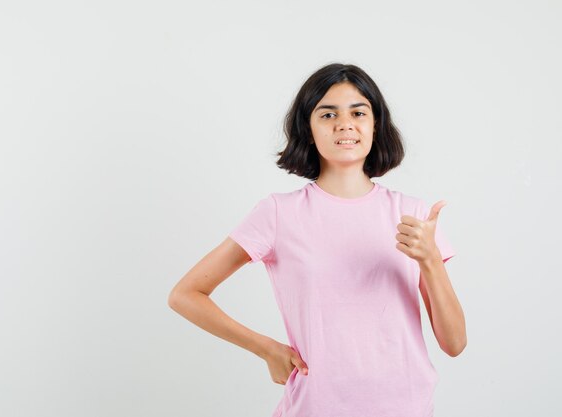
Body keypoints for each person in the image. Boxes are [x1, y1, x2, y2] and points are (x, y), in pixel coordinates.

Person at [168, 62, 467, 417]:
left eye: (358, 112)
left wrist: (430, 261)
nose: (344, 124)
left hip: (406, 408)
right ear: (308, 130)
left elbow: (455, 344)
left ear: (375, 125)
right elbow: (185, 295)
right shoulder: (278, 214)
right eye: (327, 115)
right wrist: (266, 348)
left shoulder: (412, 214)